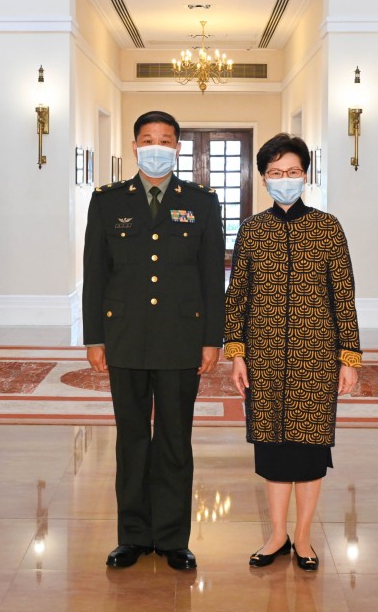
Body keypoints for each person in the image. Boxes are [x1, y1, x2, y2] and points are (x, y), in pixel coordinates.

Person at [82, 110, 225, 570]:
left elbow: (209, 275)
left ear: (178, 148)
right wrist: (94, 337)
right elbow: (94, 273)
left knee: (174, 440)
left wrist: (212, 339)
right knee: (131, 440)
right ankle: (133, 535)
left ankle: (172, 538)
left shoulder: (201, 201)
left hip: (182, 339)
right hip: (124, 337)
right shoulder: (107, 201)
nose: (157, 147)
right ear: (135, 146)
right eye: (148, 139)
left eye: (166, 140)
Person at [224, 133, 362, 571]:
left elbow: (344, 295)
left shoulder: (327, 227)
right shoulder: (252, 230)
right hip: (262, 359)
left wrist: (349, 357)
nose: (285, 179)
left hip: (316, 359)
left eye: (293, 172)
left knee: (308, 452)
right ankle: (277, 534)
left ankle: (303, 537)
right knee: (272, 451)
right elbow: (237, 296)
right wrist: (237, 354)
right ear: (264, 179)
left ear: (306, 175)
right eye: (276, 173)